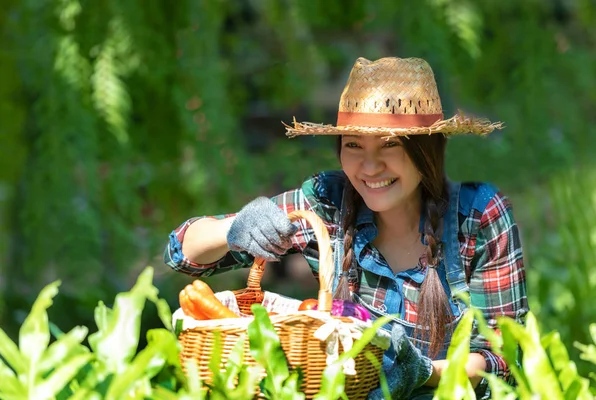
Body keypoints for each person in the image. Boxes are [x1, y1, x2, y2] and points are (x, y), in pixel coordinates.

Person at [164, 57, 529, 399]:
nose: (369, 167)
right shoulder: (326, 203)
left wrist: (424, 373)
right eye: (354, 144)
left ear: (427, 149)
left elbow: (500, 356)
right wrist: (234, 227)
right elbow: (182, 252)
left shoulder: (478, 217)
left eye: (390, 145)